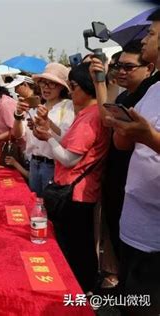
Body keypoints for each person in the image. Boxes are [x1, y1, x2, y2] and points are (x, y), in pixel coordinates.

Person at [34, 62, 110, 293]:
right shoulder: (89, 113)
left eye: (73, 86)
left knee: (77, 249)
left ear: (86, 87)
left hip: (76, 193)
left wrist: (47, 137)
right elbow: (71, 140)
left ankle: (81, 292)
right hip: (78, 190)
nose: (71, 91)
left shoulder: (90, 117)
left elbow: (70, 159)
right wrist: (50, 129)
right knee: (79, 246)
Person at [104, 9, 160, 315]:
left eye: (152, 33)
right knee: (131, 302)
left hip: (156, 236)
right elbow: (126, 144)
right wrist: (125, 131)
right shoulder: (152, 91)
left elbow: (149, 138)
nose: (147, 37)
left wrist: (148, 136)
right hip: (134, 223)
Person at [89, 39, 156, 288]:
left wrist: (98, 82)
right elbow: (110, 119)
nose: (121, 72)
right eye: (118, 67)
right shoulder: (136, 94)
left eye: (129, 67)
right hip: (122, 178)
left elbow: (107, 120)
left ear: (149, 67)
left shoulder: (148, 89)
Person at [12, 63, 75, 196]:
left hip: (53, 166)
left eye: (52, 84)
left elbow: (66, 139)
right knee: (35, 205)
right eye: (43, 83)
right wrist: (18, 115)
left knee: (49, 208)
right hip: (34, 163)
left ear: (61, 87)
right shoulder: (36, 107)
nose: (46, 87)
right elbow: (18, 134)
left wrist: (48, 123)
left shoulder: (68, 107)